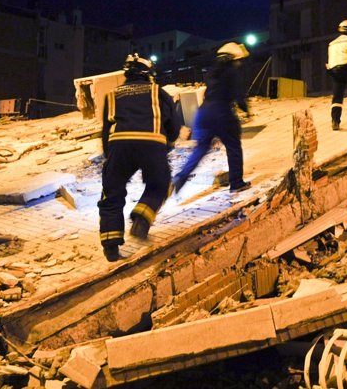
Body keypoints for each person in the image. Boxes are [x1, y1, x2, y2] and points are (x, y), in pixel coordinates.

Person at [98, 53, 181, 261]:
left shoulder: (112, 95)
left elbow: (106, 130)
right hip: (152, 144)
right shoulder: (158, 93)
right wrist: (168, 143)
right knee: (160, 183)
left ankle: (111, 244)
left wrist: (111, 158)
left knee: (112, 191)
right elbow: (174, 125)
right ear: (149, 74)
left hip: (119, 145)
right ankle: (143, 216)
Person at [173, 42, 252, 195]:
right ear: (233, 59)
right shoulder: (231, 71)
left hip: (203, 113)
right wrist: (246, 110)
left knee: (201, 149)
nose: (239, 64)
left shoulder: (211, 72)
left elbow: (206, 93)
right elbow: (237, 94)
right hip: (221, 112)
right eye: (238, 61)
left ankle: (181, 177)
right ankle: (236, 183)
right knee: (233, 146)